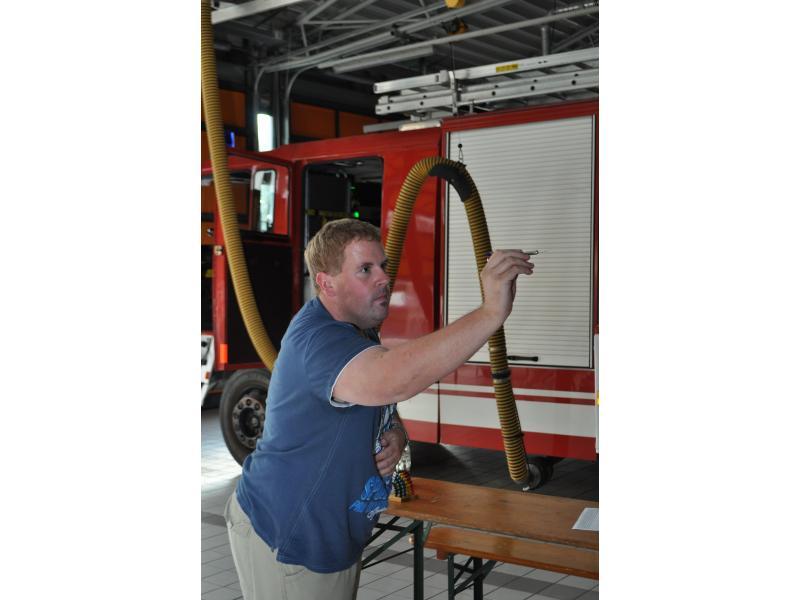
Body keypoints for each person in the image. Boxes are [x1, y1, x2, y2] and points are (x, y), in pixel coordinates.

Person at [224, 218, 534, 600]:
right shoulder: (319, 339)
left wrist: (396, 432)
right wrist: (489, 313)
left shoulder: (359, 330)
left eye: (383, 266)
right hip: (290, 537)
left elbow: (376, 395)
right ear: (327, 283)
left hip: (331, 535)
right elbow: (393, 377)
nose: (384, 278)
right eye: (365, 269)